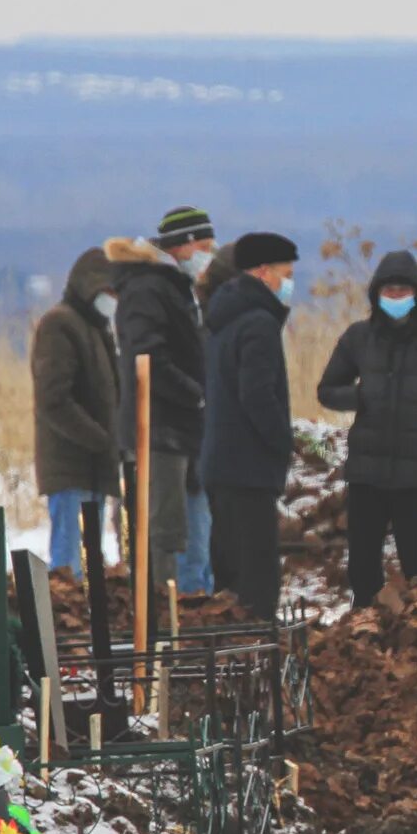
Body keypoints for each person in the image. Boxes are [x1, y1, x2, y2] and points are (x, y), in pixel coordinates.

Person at [315, 250, 417, 606]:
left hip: (415, 474)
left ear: (416, 295)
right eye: (389, 292)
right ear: (376, 294)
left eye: (402, 292)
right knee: (362, 566)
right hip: (366, 473)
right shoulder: (357, 338)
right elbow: (327, 391)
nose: (395, 299)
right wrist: (361, 396)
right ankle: (363, 626)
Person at [107, 207, 213, 595]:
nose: (209, 254)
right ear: (183, 245)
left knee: (192, 528)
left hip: (184, 429)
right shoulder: (147, 288)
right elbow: (147, 357)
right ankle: (165, 608)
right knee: (165, 529)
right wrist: (194, 392)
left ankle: (191, 599)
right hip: (159, 428)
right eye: (204, 245)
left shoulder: (175, 286)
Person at [201, 232, 299, 620]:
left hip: (221, 463)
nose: (289, 283)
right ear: (263, 272)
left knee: (230, 573)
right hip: (249, 467)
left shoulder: (223, 318)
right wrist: (281, 442)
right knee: (257, 575)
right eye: (285, 273)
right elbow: (257, 395)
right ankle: (258, 652)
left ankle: (231, 650)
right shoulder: (258, 323)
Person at [30, 246, 122, 578]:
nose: (113, 298)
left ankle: (85, 621)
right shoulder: (60, 324)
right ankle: (64, 624)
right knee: (69, 565)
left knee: (90, 561)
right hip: (71, 467)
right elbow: (53, 399)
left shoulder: (98, 329)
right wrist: (100, 439)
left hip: (96, 467)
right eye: (108, 290)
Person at [177, 240, 238, 597]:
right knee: (196, 547)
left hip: (214, 451)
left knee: (211, 545)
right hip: (197, 451)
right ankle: (194, 619)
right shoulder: (201, 324)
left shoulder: (217, 325)